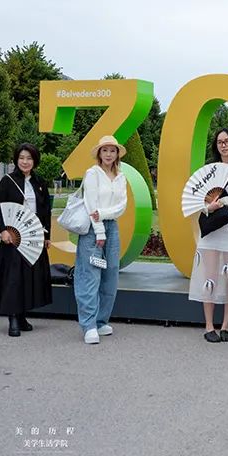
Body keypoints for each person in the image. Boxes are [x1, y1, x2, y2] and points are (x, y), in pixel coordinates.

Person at [188, 128, 228, 343]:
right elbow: (200, 202)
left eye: (226, 141)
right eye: (219, 142)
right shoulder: (210, 171)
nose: (223, 145)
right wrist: (209, 207)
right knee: (210, 276)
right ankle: (208, 325)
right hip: (211, 229)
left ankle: (225, 325)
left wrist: (222, 202)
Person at [0, 143, 53, 336]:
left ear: (35, 161)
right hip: (13, 238)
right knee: (13, 278)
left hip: (33, 238)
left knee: (29, 277)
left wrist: (47, 236)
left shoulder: (40, 182)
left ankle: (23, 314)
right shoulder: (7, 181)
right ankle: (13, 318)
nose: (25, 162)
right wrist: (3, 231)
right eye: (22, 158)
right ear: (16, 159)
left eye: (29, 158)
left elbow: (45, 211)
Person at [76, 135, 129, 345]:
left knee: (110, 273)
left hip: (111, 226)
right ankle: (88, 324)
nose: (108, 154)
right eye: (105, 150)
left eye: (112, 150)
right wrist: (99, 231)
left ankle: (101, 320)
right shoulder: (92, 174)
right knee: (89, 275)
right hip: (92, 229)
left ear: (117, 154)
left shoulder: (120, 176)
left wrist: (104, 215)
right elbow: (91, 205)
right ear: (99, 153)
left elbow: (122, 205)